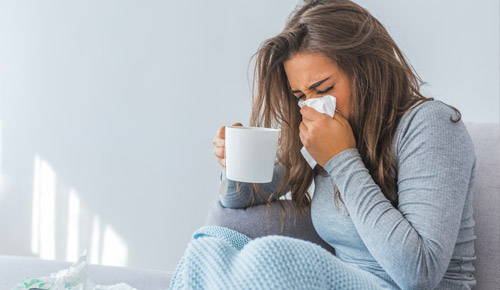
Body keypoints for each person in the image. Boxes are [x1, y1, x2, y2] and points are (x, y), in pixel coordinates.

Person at [211, 0, 476, 289]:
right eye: (301, 95)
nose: (314, 105)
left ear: (367, 70)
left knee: (268, 256)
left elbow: (419, 273)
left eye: (324, 89)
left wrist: (341, 158)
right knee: (211, 248)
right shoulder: (324, 131)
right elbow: (238, 201)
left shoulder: (430, 125)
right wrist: (233, 162)